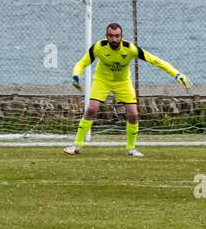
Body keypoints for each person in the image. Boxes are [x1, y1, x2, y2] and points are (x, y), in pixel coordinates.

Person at [65, 22, 191, 157]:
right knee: (91, 109)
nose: (113, 39)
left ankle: (131, 148)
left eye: (117, 36)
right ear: (106, 36)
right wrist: (76, 75)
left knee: (133, 114)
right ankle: (76, 146)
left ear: (122, 36)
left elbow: (155, 60)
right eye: (111, 36)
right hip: (102, 81)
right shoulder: (98, 47)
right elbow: (81, 63)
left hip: (123, 82)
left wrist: (177, 74)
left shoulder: (130, 49)